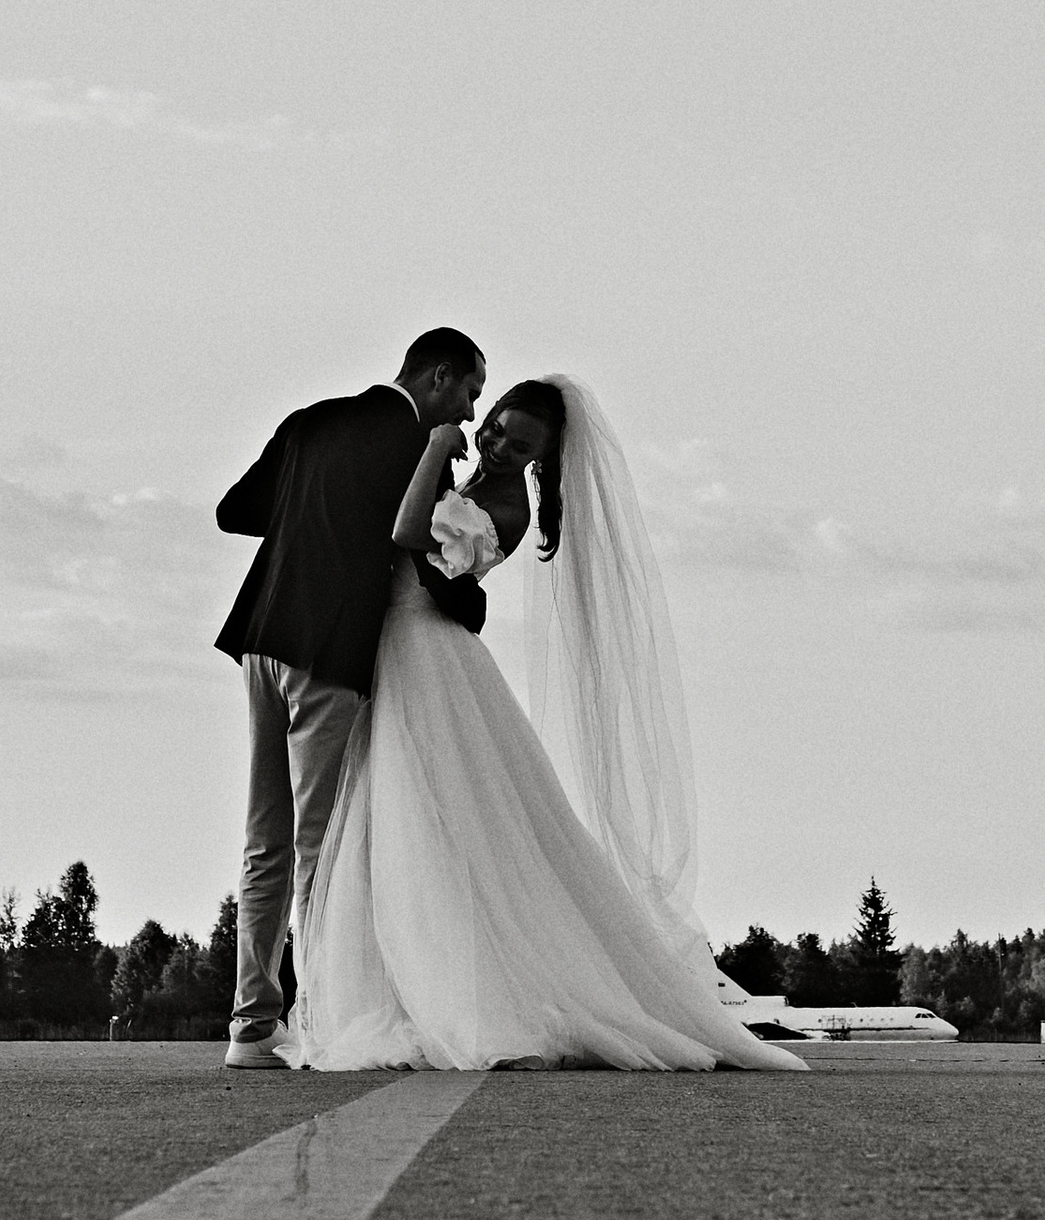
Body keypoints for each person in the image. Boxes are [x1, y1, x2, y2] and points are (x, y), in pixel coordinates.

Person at [287, 374, 802, 1075]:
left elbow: (407, 534)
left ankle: (470, 999)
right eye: (495, 427)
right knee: (398, 829)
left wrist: (438, 444)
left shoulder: (503, 503)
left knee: (429, 825)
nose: (497, 444)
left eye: (518, 443)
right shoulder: (470, 487)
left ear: (542, 458)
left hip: (426, 660)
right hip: (398, 653)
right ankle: (405, 990)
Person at [213, 326, 487, 1070]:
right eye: (469, 392)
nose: (467, 413)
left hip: (262, 636)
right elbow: (417, 551)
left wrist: (310, 514)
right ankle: (324, 1018)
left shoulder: (311, 421)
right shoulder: (415, 446)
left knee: (263, 841)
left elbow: (233, 510)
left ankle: (250, 1026)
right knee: (317, 846)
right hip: (329, 651)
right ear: (436, 378)